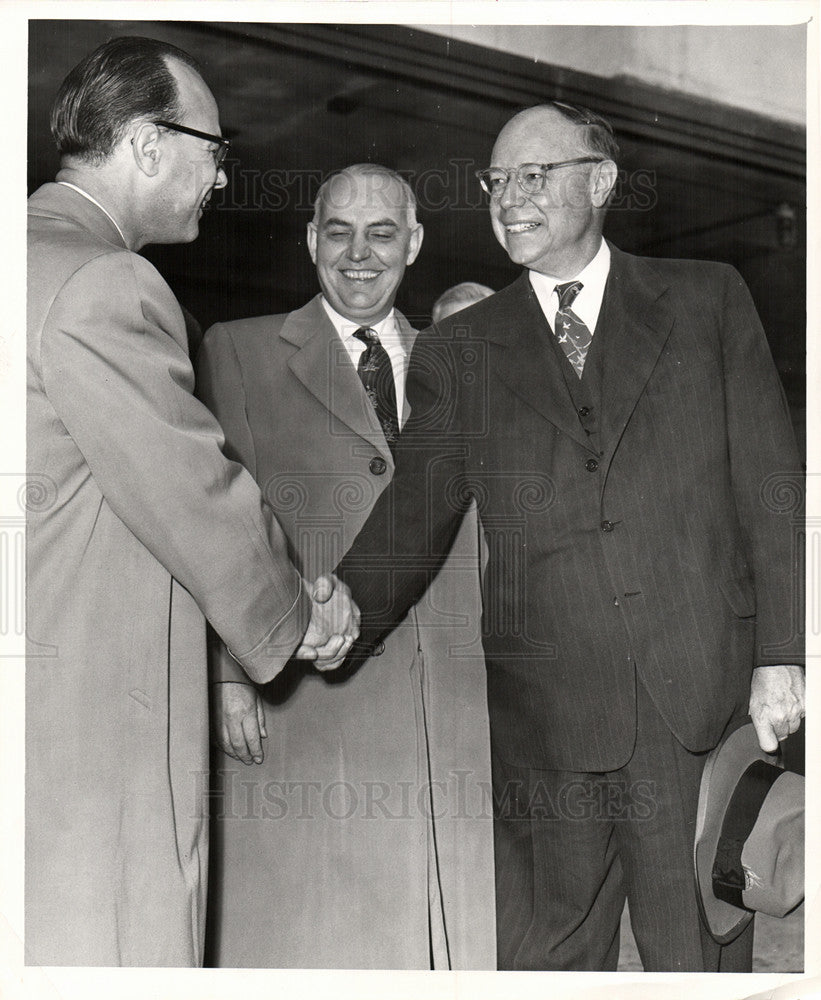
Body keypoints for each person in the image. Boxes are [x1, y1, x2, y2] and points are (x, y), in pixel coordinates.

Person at [336, 103, 805, 971]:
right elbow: (407, 524)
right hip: (544, 727)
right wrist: (312, 619)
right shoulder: (461, 349)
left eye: (533, 175)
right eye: (495, 181)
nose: (508, 198)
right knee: (542, 968)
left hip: (692, 707)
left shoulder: (706, 301)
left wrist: (782, 651)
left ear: (601, 180)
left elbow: (769, 488)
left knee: (693, 963)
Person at [26, 37, 357, 968]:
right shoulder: (104, 280)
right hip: (91, 722)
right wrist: (300, 614)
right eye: (213, 149)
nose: (219, 177)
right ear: (143, 144)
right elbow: (192, 491)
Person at [195, 163, 495, 969]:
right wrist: (226, 675)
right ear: (309, 241)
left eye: (383, 233)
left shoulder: (461, 361)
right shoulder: (242, 349)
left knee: (452, 936)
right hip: (312, 695)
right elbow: (215, 523)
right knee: (314, 929)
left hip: (454, 697)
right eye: (339, 232)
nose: (359, 254)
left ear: (415, 244)